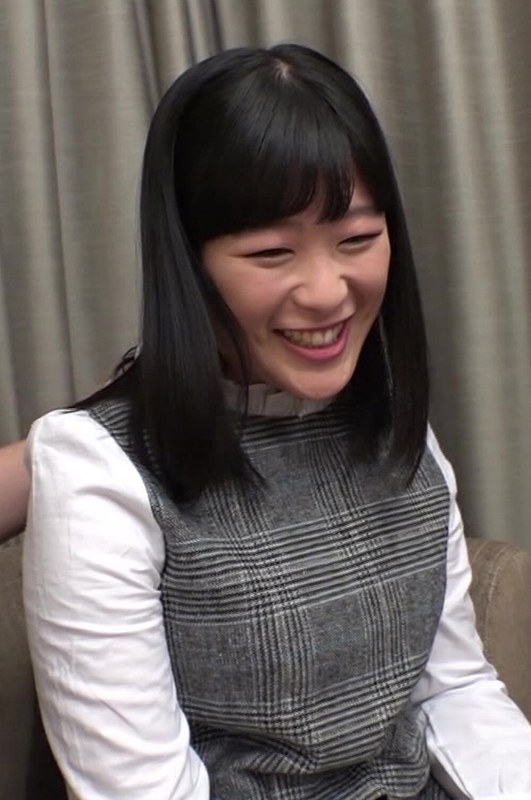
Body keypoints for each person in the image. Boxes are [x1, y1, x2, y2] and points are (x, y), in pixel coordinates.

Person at [20, 43, 531, 800]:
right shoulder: (98, 471)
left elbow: (453, 689)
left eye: (357, 239)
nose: (326, 292)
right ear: (187, 262)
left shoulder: (395, 424)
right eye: (270, 252)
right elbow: (143, 787)